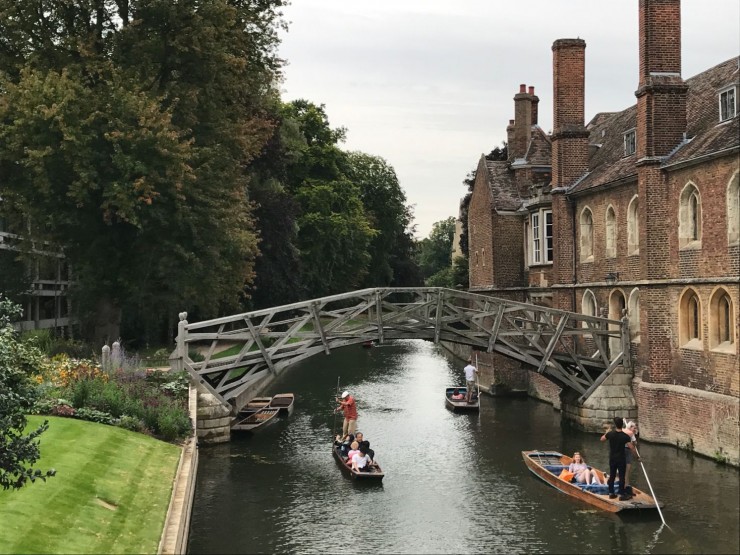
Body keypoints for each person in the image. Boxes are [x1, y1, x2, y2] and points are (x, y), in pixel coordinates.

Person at [600, 416, 639, 500]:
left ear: (615, 425)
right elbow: (632, 448)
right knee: (621, 477)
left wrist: (607, 432)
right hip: (621, 459)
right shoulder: (625, 436)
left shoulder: (610, 434)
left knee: (612, 475)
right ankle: (622, 494)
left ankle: (611, 493)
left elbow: (602, 439)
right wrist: (637, 457)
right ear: (622, 425)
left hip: (612, 458)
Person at [624, 420, 638, 487]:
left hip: (619, 450)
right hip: (627, 451)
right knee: (627, 470)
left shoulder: (623, 430)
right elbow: (635, 444)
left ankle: (624, 484)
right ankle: (626, 485)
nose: (635, 429)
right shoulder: (631, 433)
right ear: (630, 427)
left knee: (621, 469)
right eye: (634, 428)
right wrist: (638, 457)